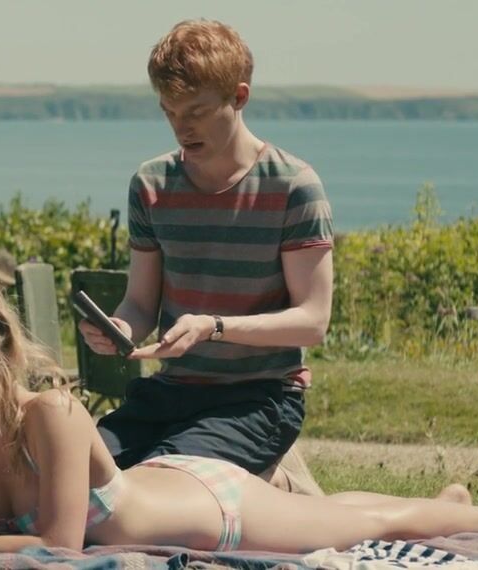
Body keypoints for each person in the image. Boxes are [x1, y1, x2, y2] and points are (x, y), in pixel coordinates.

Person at [0, 273, 478, 553]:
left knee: (364, 528)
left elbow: (59, 548)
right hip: (170, 482)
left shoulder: (51, 414)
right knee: (337, 511)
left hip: (212, 506)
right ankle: (447, 503)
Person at [78, 19, 332, 493]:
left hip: (259, 399)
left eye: (196, 111)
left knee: (151, 491)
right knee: (71, 476)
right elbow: (140, 305)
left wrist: (213, 327)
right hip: (171, 394)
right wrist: (119, 329)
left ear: (239, 96)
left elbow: (313, 322)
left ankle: (277, 485)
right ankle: (266, 485)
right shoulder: (151, 184)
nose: (182, 127)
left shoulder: (294, 186)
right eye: (169, 112)